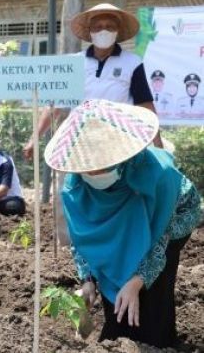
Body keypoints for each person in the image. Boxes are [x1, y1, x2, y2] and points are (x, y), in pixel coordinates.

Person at [44, 99, 201, 348]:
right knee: (115, 286)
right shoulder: (75, 189)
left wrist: (137, 281)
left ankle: (161, 340)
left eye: (102, 165)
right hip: (124, 228)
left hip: (172, 216)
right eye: (89, 168)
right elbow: (83, 240)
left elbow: (159, 240)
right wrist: (88, 280)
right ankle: (118, 335)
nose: (94, 174)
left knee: (153, 292)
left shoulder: (157, 175)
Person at [22, 3, 163, 245]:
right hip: (78, 140)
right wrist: (35, 137)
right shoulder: (74, 63)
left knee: (118, 195)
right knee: (70, 193)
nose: (103, 31)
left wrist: (158, 148)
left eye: (109, 26)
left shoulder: (132, 63)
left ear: (118, 30)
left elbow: (145, 107)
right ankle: (72, 250)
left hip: (119, 141)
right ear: (89, 32)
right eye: (98, 27)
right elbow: (54, 106)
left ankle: (116, 246)